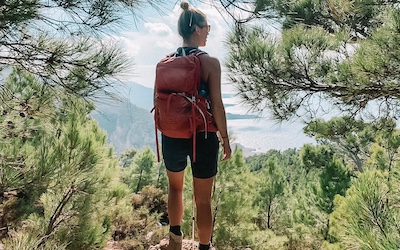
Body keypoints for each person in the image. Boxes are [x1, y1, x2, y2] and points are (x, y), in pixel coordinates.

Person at [158, 1, 232, 250]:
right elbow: (217, 105)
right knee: (203, 200)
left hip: (171, 132)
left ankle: (175, 241)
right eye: (207, 28)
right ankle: (203, 247)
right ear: (198, 30)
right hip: (203, 136)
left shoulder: (166, 62)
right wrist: (225, 140)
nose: (209, 32)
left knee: (175, 189)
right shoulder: (210, 63)